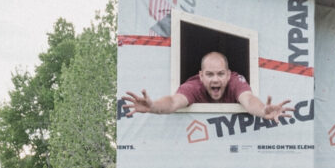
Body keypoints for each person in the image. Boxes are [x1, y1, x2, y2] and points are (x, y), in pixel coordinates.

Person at [123, 51, 291, 120]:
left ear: (228, 74)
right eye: (209, 74)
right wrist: (153, 106)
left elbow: (248, 100)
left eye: (220, 74)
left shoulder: (235, 82)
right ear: (201, 76)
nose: (215, 80)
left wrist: (263, 110)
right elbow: (173, 102)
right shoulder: (194, 86)